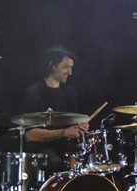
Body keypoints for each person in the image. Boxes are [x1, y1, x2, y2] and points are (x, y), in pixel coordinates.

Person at [17, 46, 89, 174]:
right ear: (52, 66)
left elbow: (74, 125)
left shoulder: (70, 93)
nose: (70, 72)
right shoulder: (33, 94)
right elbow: (29, 135)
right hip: (41, 149)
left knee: (90, 161)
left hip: (65, 146)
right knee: (56, 163)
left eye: (71, 67)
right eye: (66, 67)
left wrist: (80, 128)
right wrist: (64, 132)